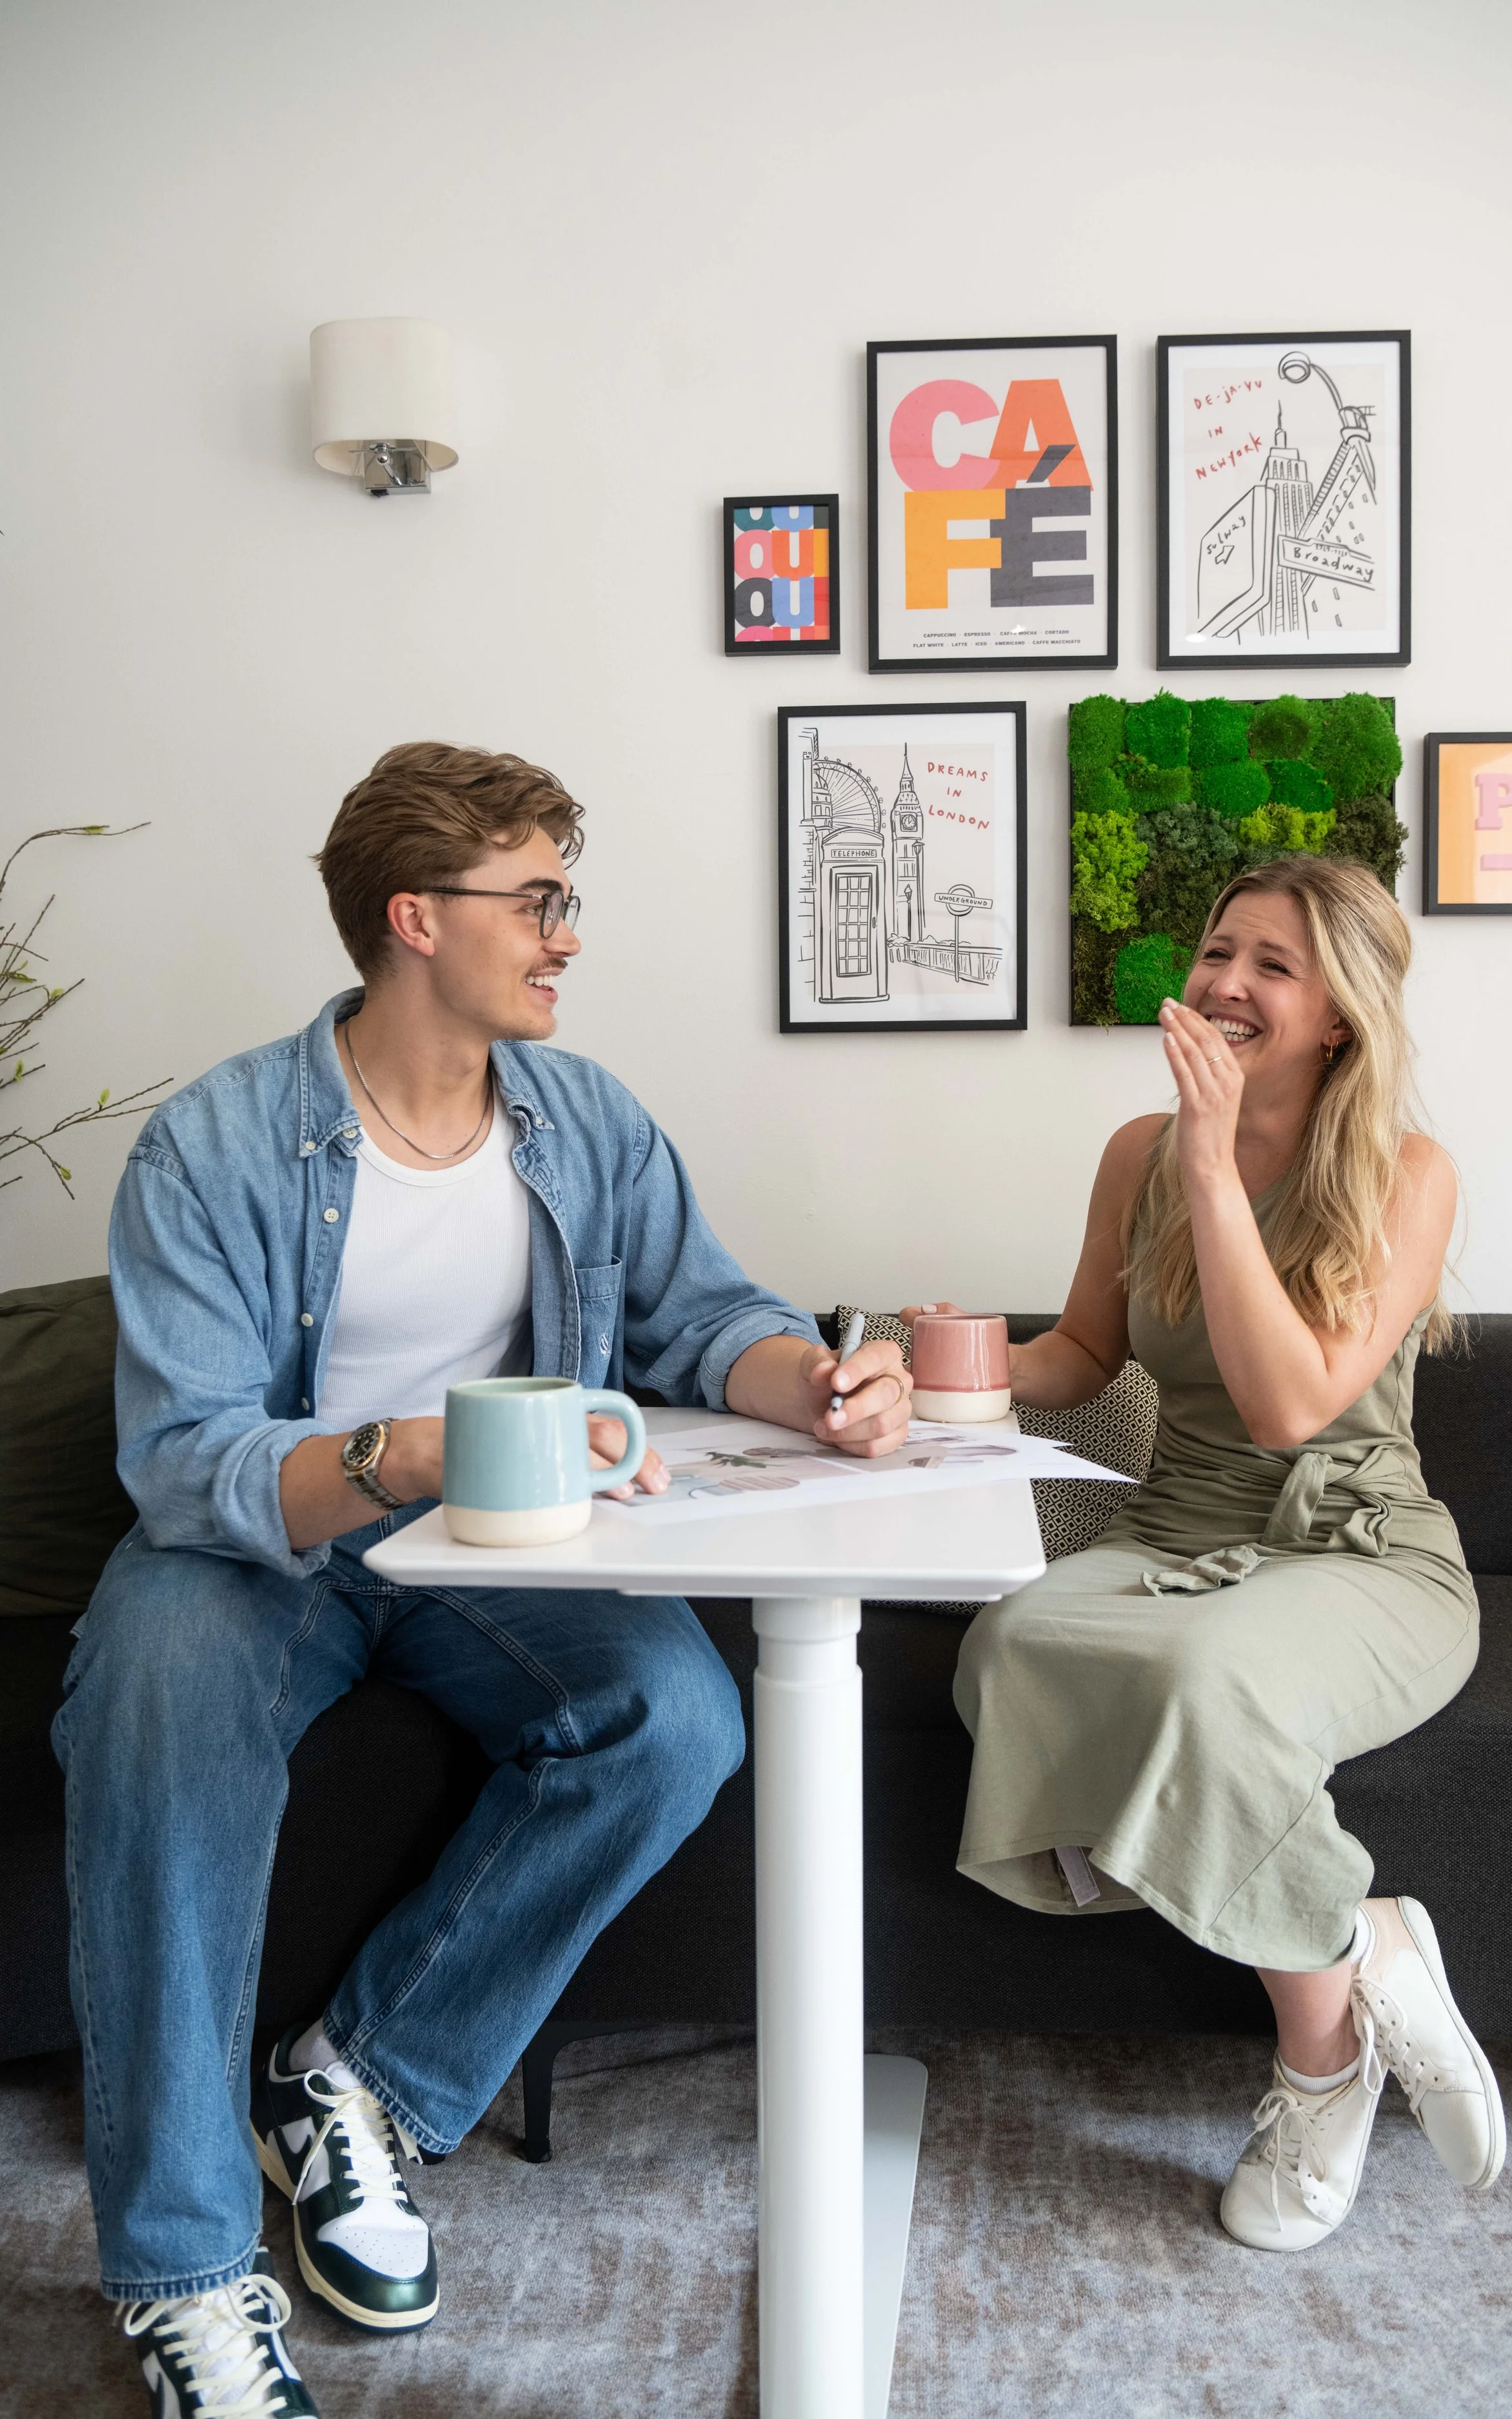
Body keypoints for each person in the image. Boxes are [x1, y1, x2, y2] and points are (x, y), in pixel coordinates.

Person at [54, 741, 912, 2416]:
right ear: (414, 920)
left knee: (670, 1714)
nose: (566, 933)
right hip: (261, 1542)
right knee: (150, 1709)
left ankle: (359, 2075)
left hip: (495, 1550)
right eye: (536, 899)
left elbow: (702, 1314)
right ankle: (187, 2271)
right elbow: (186, 1459)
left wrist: (808, 1377)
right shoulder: (219, 1141)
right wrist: (409, 1454)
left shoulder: (585, 1119)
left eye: (562, 897)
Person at [909, 855, 1504, 2254]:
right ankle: (1364, 1939)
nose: (1224, 982)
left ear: (1336, 1017)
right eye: (1217, 950)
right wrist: (940, 1363)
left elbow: (1288, 1405)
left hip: (1356, 1545)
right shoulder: (1134, 1150)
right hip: (1175, 1528)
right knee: (1012, 1646)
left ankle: (1318, 2062)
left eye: (1270, 966)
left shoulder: (1404, 1174)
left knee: (1207, 1689)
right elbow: (1082, 1353)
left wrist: (1208, 1157)